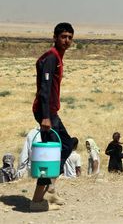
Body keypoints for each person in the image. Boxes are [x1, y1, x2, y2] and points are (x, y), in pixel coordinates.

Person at [30, 22, 75, 211]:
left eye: (70, 37)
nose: (67, 40)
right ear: (55, 37)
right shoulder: (51, 57)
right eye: (63, 36)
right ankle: (37, 201)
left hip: (50, 111)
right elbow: (45, 89)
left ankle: (51, 188)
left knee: (67, 144)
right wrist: (46, 117)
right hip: (45, 111)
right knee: (50, 154)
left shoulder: (58, 57)